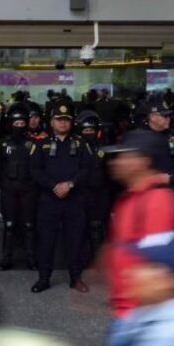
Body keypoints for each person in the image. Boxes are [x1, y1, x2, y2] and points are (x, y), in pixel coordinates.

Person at [103, 130, 174, 319]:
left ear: (143, 161)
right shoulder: (129, 197)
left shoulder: (157, 200)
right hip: (126, 311)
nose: (116, 163)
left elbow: (158, 267)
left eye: (123, 156)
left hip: (142, 315)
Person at [30, 103, 93, 294]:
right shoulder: (40, 143)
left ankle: (75, 278)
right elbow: (34, 170)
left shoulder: (81, 143)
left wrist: (70, 184)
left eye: (66, 120)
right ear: (51, 122)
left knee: (75, 240)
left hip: (74, 199)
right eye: (59, 119)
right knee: (46, 240)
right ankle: (43, 278)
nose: (63, 123)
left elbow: (87, 169)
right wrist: (54, 186)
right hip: (49, 199)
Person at [0, 104, 38, 271]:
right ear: (10, 123)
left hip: (29, 189)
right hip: (9, 189)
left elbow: (38, 167)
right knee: (10, 225)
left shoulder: (33, 143)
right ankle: (6, 258)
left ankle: (31, 258)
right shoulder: (3, 143)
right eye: (16, 123)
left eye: (22, 123)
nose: (19, 126)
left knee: (29, 225)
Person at [76, 110, 111, 257]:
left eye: (91, 130)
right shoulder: (76, 147)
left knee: (97, 225)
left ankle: (97, 258)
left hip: (100, 192)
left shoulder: (104, 147)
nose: (88, 132)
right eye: (85, 130)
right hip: (80, 191)